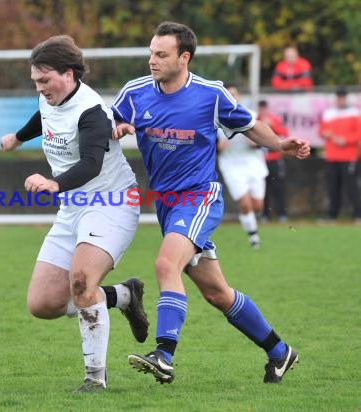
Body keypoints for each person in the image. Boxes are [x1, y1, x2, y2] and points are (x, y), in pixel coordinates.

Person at [111, 21, 310, 385]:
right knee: (218, 293)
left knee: (165, 264)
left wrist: (281, 144)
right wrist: (119, 126)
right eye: (151, 53)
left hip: (199, 197)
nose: (151, 60)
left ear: (184, 57)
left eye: (161, 54)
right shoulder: (135, 92)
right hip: (167, 204)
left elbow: (251, 125)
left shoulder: (210, 94)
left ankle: (165, 355)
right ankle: (280, 353)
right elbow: (113, 121)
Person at [0, 35, 149, 393]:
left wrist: (54, 183)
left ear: (68, 74)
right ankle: (123, 296)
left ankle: (95, 379)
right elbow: (45, 117)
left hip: (111, 203)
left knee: (81, 282)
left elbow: (91, 164)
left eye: (44, 80)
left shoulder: (92, 113)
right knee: (43, 304)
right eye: (35, 81)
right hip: (74, 206)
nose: (39, 88)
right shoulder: (50, 95)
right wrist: (19, 138)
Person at [217, 85, 268, 248]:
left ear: (239, 97)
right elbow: (207, 145)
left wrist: (255, 143)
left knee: (258, 206)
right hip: (231, 164)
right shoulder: (214, 118)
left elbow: (264, 140)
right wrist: (218, 148)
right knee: (245, 203)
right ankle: (253, 238)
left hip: (253, 163)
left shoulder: (250, 115)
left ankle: (251, 222)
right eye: (228, 94)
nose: (231, 97)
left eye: (234, 94)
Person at [318, 87, 361, 222]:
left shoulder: (355, 113)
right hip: (332, 157)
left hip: (349, 157)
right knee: (332, 187)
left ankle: (358, 215)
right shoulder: (328, 113)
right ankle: (332, 216)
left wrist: (345, 140)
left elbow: (359, 133)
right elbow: (321, 131)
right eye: (339, 97)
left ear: (346, 98)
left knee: (352, 187)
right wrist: (325, 133)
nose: (340, 100)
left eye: (343, 97)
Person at [257, 99, 290, 222]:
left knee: (278, 187)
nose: (263, 111)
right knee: (262, 188)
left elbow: (284, 134)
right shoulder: (256, 119)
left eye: (265, 108)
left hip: (275, 159)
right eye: (261, 108)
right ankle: (265, 215)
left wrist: (272, 125)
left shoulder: (274, 119)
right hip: (260, 160)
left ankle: (281, 214)